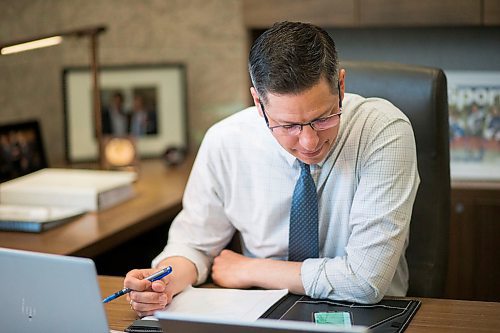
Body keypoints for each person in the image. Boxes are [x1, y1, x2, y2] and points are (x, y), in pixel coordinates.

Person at [124, 21, 419, 317]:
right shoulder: (226, 141)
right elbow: (193, 244)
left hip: (372, 315)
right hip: (262, 313)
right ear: (258, 103)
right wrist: (163, 282)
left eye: (323, 118)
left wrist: (252, 270)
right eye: (288, 125)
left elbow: (366, 281)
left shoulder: (384, 132)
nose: (309, 141)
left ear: (341, 87)